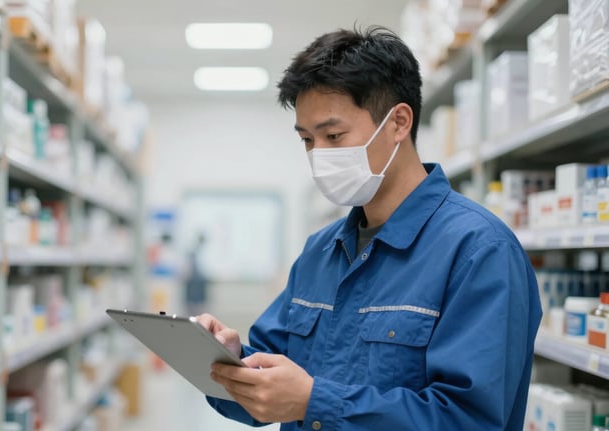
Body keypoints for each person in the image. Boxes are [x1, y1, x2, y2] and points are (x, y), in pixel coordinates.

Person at [197, 26, 542, 430]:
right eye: (307, 140)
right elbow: (271, 375)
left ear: (398, 123)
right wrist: (228, 359)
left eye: (334, 135)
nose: (318, 156)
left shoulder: (479, 251)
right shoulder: (320, 252)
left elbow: (470, 421)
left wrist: (314, 401)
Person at [184, 233, 210, 317]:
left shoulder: (200, 254)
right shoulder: (193, 253)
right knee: (194, 313)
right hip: (193, 288)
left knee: (200, 314)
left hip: (200, 287)